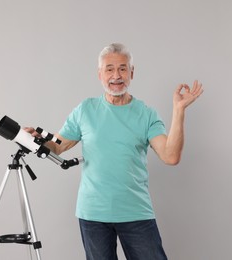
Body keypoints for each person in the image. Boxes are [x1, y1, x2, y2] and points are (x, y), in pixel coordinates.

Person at [25, 43, 203, 260]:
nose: (116, 75)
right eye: (109, 69)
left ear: (132, 73)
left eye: (122, 68)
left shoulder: (146, 114)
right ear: (100, 74)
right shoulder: (85, 110)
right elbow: (58, 146)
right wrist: (36, 140)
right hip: (93, 213)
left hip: (135, 211)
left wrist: (178, 110)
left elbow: (170, 155)